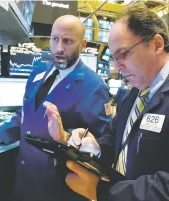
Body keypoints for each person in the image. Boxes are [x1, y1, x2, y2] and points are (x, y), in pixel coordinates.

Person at [47, 4, 169, 201]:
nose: (117, 67)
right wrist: (94, 146)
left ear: (156, 44)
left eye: (123, 54)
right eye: (113, 58)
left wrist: (103, 192)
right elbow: (115, 135)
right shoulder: (134, 93)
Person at [0, 15, 111, 201]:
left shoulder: (94, 87)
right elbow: (25, 114)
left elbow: (99, 143)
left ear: (83, 45)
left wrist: (66, 135)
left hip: (58, 188)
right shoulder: (38, 71)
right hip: (24, 179)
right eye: (55, 39)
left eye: (67, 41)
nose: (59, 48)